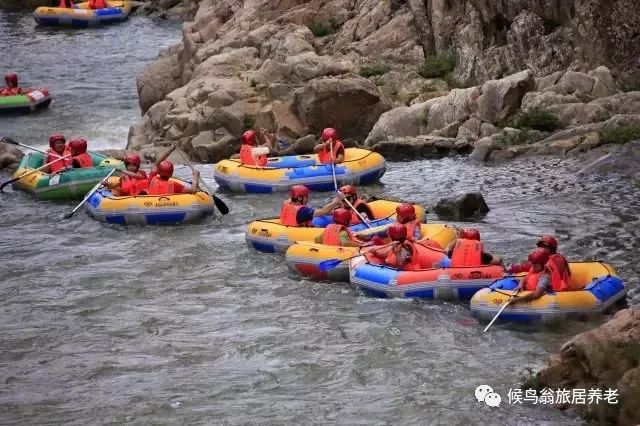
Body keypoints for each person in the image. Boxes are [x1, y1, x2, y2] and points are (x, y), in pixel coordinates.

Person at [370, 223, 447, 271]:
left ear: (391, 236)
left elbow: (400, 264)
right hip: (400, 271)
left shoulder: (405, 247)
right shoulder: (397, 245)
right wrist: (375, 251)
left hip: (409, 273)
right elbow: (384, 253)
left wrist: (396, 251)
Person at [280, 184, 345, 227]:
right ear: (299, 198)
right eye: (306, 197)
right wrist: (337, 200)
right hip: (299, 232)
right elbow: (323, 211)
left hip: (287, 226)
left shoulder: (286, 203)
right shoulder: (302, 211)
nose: (307, 199)